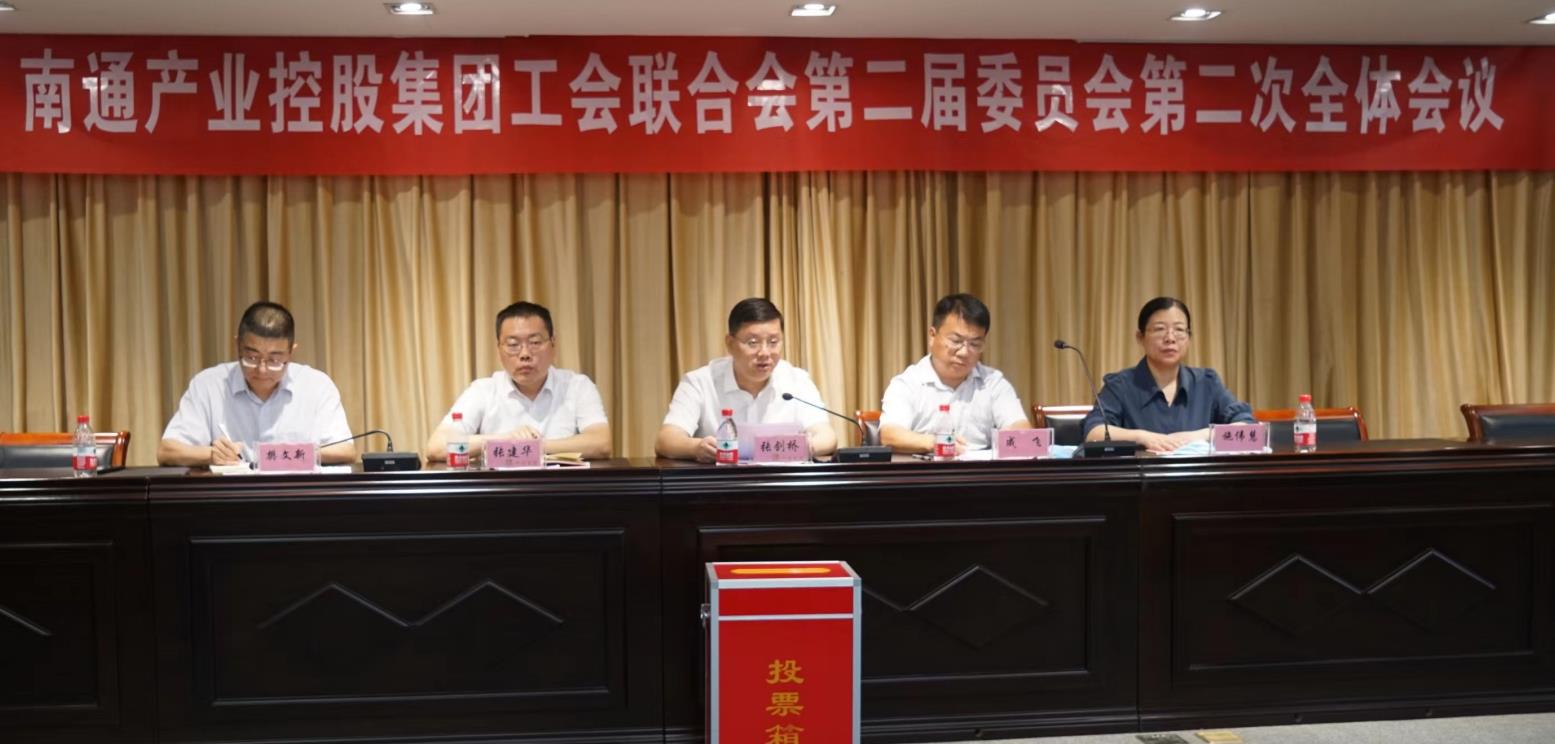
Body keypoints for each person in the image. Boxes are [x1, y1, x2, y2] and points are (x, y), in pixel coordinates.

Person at [157, 301, 355, 466]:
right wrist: (211, 455)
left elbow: (345, 450)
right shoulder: (208, 385)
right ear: (237, 345)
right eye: (252, 357)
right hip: (230, 496)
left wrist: (286, 456)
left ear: (291, 352)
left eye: (274, 360)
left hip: (296, 496)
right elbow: (167, 451)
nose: (262, 370)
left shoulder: (316, 386)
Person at [656, 297, 838, 462]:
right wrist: (696, 447)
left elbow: (827, 436)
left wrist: (803, 446)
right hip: (722, 484)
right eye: (753, 343)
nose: (764, 352)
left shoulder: (797, 380)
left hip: (783, 482)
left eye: (773, 342)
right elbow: (666, 440)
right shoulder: (700, 382)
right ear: (730, 344)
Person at [426, 301, 612, 462]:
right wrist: (504, 441)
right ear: (499, 349)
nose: (525, 354)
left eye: (535, 342)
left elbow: (601, 443)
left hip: (562, 489)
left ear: (553, 343)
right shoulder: (483, 390)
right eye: (513, 345)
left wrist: (533, 447)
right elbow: (437, 447)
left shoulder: (577, 386)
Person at [1082, 296, 1254, 453]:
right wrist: (1143, 437)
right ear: (1140, 337)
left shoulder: (1207, 383)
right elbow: (1093, 433)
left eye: (1179, 329)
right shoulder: (1120, 385)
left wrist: (1197, 437)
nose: (1170, 338)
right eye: (1159, 329)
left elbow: (1249, 433)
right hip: (1140, 476)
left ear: (1189, 337)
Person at [879, 293, 1031, 454]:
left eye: (975, 344)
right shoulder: (907, 384)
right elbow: (889, 435)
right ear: (932, 336)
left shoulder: (993, 383)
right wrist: (937, 443)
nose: (964, 352)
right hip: (928, 467)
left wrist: (1014, 434)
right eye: (956, 341)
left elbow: (1023, 431)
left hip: (980, 468)